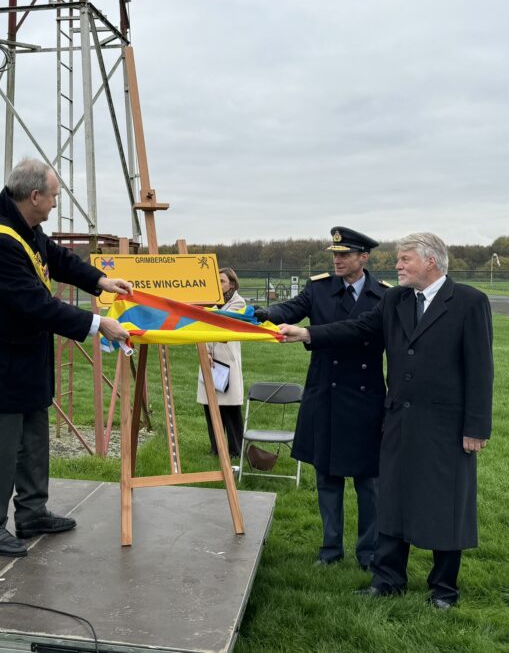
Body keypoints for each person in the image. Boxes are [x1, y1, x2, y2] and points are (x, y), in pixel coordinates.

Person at [278, 232, 493, 609]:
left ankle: (443, 589)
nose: (397, 266)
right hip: (397, 420)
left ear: (431, 261)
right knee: (392, 500)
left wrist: (476, 428)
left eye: (405, 259)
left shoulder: (469, 302)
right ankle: (388, 579)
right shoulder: (395, 299)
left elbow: (480, 369)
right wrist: (307, 332)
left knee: (445, 504)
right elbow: (359, 328)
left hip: (446, 426)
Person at [0, 158, 132, 558]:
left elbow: (55, 258)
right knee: (3, 448)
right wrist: (97, 324)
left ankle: (32, 513)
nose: (55, 204)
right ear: (34, 195)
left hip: (25, 357)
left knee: (34, 437)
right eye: (53, 196)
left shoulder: (24, 222)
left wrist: (100, 280)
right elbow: (36, 305)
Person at [256, 227, 388, 570]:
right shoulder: (319, 288)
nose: (338, 260)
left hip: (364, 399)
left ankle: (369, 551)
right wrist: (264, 314)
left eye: (345, 255)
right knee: (327, 477)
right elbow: (291, 309)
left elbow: (369, 334)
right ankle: (330, 550)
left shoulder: (385, 296)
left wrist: (308, 333)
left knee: (368, 481)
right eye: (335, 254)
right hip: (325, 392)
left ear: (364, 257)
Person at [197, 268, 246, 457]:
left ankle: (235, 449)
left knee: (230, 407)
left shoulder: (237, 303)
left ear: (231, 284)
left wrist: (205, 312)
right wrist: (204, 350)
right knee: (210, 405)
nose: (219, 285)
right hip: (208, 358)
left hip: (226, 360)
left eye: (222, 281)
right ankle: (216, 447)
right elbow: (200, 327)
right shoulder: (210, 303)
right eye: (216, 281)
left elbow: (219, 324)